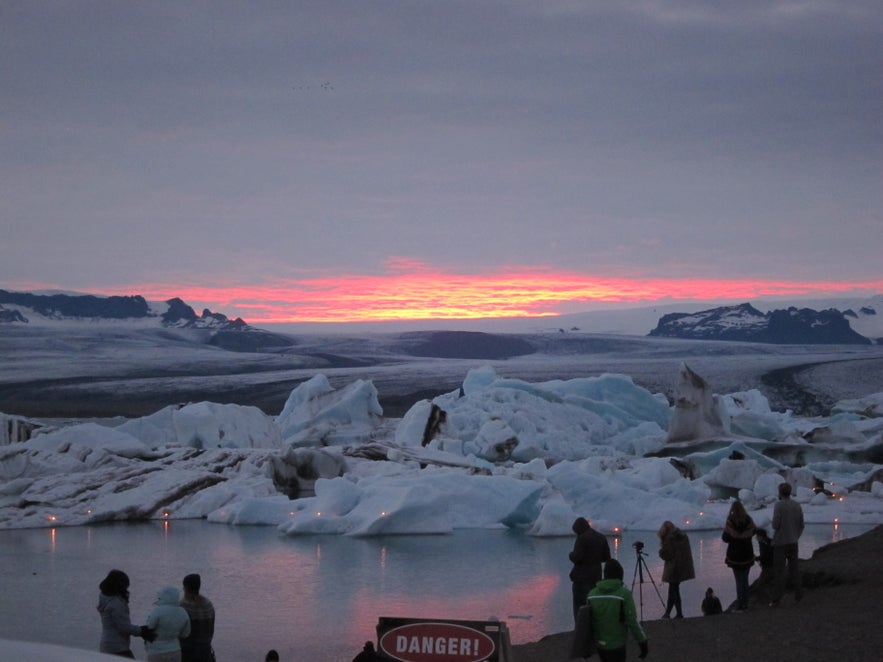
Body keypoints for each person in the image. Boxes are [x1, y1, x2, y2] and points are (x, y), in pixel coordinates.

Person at [587, 559, 649, 662]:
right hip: (617, 644)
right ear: (620, 575)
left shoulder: (591, 595)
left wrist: (584, 646)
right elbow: (632, 621)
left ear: (605, 575)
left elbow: (586, 622)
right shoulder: (624, 594)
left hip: (600, 644)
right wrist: (642, 642)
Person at [97, 569, 156, 658]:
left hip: (107, 646)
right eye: (125, 586)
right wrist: (141, 631)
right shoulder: (115, 604)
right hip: (117, 648)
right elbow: (124, 627)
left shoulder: (105, 598)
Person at [568, 516, 611, 622]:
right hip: (596, 577)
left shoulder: (582, 538)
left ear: (579, 529)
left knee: (579, 607)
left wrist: (570, 555)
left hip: (581, 578)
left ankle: (580, 630)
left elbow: (577, 558)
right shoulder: (601, 537)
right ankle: (595, 628)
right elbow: (606, 558)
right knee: (593, 604)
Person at [769, 481, 804, 606]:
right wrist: (796, 536)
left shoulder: (779, 506)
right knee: (794, 569)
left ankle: (776, 598)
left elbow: (775, 525)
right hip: (793, 542)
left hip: (780, 542)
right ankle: (798, 594)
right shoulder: (796, 505)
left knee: (779, 571)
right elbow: (801, 524)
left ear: (780, 493)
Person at [657, 520, 695, 618]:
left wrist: (661, 552)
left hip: (674, 568)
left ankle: (676, 613)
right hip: (683, 567)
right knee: (674, 589)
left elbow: (668, 555)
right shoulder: (682, 536)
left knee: (673, 590)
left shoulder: (669, 538)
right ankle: (670, 613)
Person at [723, 500, 756, 611]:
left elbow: (725, 538)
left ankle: (740, 604)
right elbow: (754, 531)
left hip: (735, 555)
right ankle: (745, 603)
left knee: (738, 580)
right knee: (745, 580)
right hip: (747, 554)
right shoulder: (749, 520)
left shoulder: (730, 521)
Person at [145, 585, 191, 662]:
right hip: (175, 650)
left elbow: (149, 627)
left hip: (156, 651)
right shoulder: (183, 612)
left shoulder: (157, 610)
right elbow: (185, 634)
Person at [180, 573, 215, 662]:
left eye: (183, 586)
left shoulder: (183, 605)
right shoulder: (208, 604)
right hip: (205, 651)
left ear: (186, 587)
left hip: (187, 652)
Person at [754, 527, 775, 601]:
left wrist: (756, 558)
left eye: (757, 536)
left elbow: (765, 556)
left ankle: (767, 600)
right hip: (771, 566)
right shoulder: (767, 541)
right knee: (767, 584)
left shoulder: (764, 543)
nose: (756, 538)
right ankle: (770, 599)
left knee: (760, 586)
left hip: (769, 567)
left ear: (761, 536)